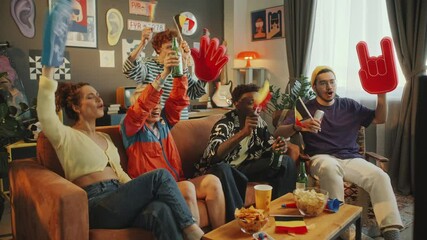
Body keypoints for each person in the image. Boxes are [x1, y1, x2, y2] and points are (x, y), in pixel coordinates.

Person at [37, 66, 204, 240]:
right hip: (95, 203)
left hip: (119, 196)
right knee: (160, 176)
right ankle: (192, 229)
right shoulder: (65, 135)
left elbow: (121, 175)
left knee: (159, 210)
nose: (98, 99)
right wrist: (47, 74)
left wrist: (139, 191)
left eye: (98, 95)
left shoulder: (105, 138)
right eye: (90, 97)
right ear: (76, 107)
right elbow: (45, 114)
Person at [275, 66, 403, 240]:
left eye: (332, 82)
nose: (329, 87)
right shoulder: (305, 107)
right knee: (329, 170)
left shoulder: (349, 105)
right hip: (321, 157)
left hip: (351, 158)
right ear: (314, 87)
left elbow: (380, 118)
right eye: (323, 83)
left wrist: (382, 94)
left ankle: (391, 231)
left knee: (380, 176)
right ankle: (344, 230)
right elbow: (279, 132)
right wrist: (299, 126)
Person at [120, 47, 225, 228]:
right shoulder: (130, 126)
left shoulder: (164, 123)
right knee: (187, 187)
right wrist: (164, 73)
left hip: (177, 182)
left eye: (158, 102)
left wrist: (180, 72)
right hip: (153, 188)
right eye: (150, 103)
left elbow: (178, 100)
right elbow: (143, 106)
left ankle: (218, 235)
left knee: (213, 182)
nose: (156, 107)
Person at [195, 83, 299, 200]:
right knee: (223, 168)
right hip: (225, 171)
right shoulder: (225, 124)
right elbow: (214, 156)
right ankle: (237, 215)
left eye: (257, 103)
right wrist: (243, 133)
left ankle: (282, 211)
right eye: (250, 103)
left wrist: (277, 147)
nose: (256, 107)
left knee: (285, 161)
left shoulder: (259, 122)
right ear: (236, 104)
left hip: (244, 169)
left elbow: (268, 145)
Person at [123, 28, 206, 120]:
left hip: (180, 122)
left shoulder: (180, 67)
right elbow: (129, 70)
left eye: (176, 47)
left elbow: (194, 93)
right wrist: (143, 44)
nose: (174, 51)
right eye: (169, 47)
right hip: (158, 123)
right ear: (158, 49)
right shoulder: (148, 65)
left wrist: (205, 75)